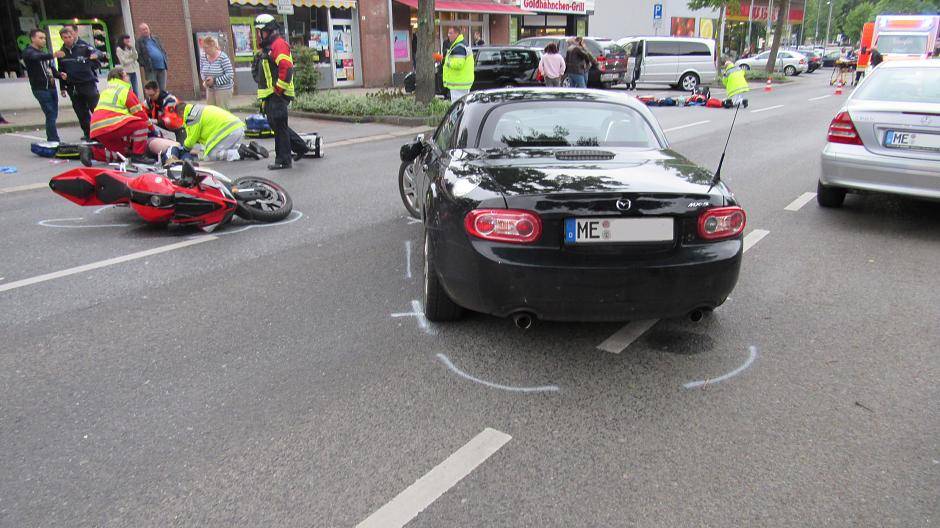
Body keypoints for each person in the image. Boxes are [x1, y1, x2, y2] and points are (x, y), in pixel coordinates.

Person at [252, 14, 308, 170]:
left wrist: (279, 89)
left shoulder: (278, 45)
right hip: (272, 95)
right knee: (278, 125)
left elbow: (286, 67)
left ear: (269, 30)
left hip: (278, 94)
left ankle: (283, 160)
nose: (258, 35)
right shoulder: (268, 47)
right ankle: (300, 147)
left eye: (260, 31)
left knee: (279, 126)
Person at [86, 67, 153, 164]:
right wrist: (152, 129)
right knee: (142, 124)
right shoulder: (124, 90)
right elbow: (140, 114)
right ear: (120, 77)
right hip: (111, 124)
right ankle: (138, 156)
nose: (128, 77)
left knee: (121, 155)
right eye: (126, 75)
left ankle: (91, 152)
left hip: (96, 128)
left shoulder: (106, 91)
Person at [176, 102, 267, 161]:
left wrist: (184, 149)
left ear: (181, 112)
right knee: (222, 148)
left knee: (211, 154)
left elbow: (192, 139)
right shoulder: (197, 109)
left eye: (179, 116)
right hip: (236, 127)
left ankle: (240, 152)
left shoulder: (191, 117)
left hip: (227, 130)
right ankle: (250, 147)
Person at [56, 26, 101, 141]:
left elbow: (98, 52)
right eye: (64, 37)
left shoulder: (83, 46)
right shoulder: (62, 53)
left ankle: (100, 133)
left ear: (73, 36)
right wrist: (63, 87)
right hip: (73, 86)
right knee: (81, 112)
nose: (67, 39)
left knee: (96, 109)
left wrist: (95, 56)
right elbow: (61, 71)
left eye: (69, 37)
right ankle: (88, 133)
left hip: (87, 84)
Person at [22, 28, 61, 144]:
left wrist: (59, 75)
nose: (43, 40)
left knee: (53, 113)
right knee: (50, 113)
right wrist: (53, 55)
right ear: (33, 39)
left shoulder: (44, 53)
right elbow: (35, 57)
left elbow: (51, 69)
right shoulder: (29, 52)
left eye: (44, 38)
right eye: (40, 38)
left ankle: (53, 137)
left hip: (51, 86)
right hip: (40, 88)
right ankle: (53, 139)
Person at [199, 37, 235, 109]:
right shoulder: (203, 57)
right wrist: (205, 80)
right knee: (211, 111)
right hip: (210, 89)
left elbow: (230, 74)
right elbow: (202, 70)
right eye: (203, 48)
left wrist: (215, 81)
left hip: (223, 89)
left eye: (206, 47)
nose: (204, 50)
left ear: (213, 46)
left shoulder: (222, 57)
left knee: (222, 111)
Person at [442, 27, 474, 101]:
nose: (448, 35)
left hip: (458, 83)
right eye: (448, 33)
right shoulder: (461, 44)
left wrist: (445, 61)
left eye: (450, 33)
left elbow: (458, 64)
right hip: (462, 82)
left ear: (456, 34)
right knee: (463, 106)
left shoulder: (459, 47)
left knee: (458, 106)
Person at [136, 23, 168, 91]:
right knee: (153, 89)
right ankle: (154, 101)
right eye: (143, 30)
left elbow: (162, 49)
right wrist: (145, 64)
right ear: (140, 32)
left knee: (163, 89)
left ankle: (161, 101)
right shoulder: (139, 42)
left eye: (146, 29)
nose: (145, 31)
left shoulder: (156, 39)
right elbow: (138, 55)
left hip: (162, 66)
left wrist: (165, 58)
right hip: (150, 69)